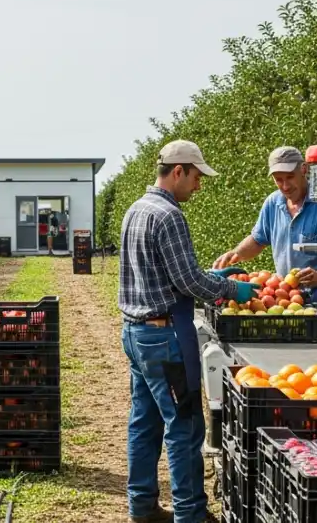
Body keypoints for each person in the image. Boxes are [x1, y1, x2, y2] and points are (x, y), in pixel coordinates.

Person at [118, 140, 258, 523]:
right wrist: (232, 289)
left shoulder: (136, 209)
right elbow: (187, 281)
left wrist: (211, 277)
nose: (198, 186)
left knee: (144, 423)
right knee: (185, 426)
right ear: (178, 171)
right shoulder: (169, 215)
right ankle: (190, 514)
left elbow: (165, 275)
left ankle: (142, 507)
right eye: (196, 177)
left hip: (135, 332)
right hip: (163, 337)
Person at [213, 146, 317, 303]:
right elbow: (258, 239)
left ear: (304, 170)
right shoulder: (273, 203)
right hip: (286, 300)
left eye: (290, 177)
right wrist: (236, 254)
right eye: (279, 180)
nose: (285, 186)